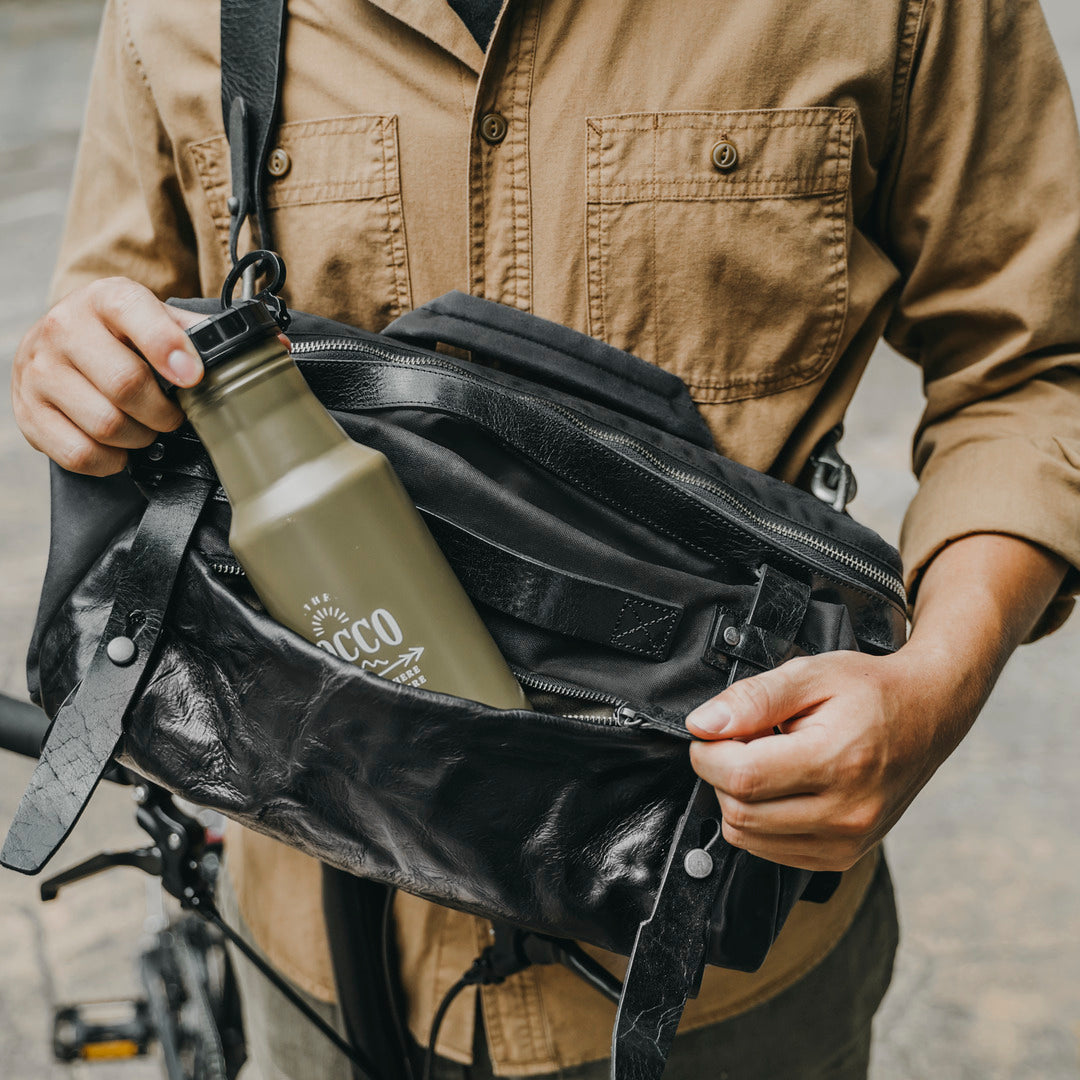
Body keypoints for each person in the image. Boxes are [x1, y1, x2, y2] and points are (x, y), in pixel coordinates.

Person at [11, 0, 1080, 1076]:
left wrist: (934, 688)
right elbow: (110, 336)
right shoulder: (173, 15)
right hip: (314, 956)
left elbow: (1034, 371)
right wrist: (75, 376)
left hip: (711, 958)